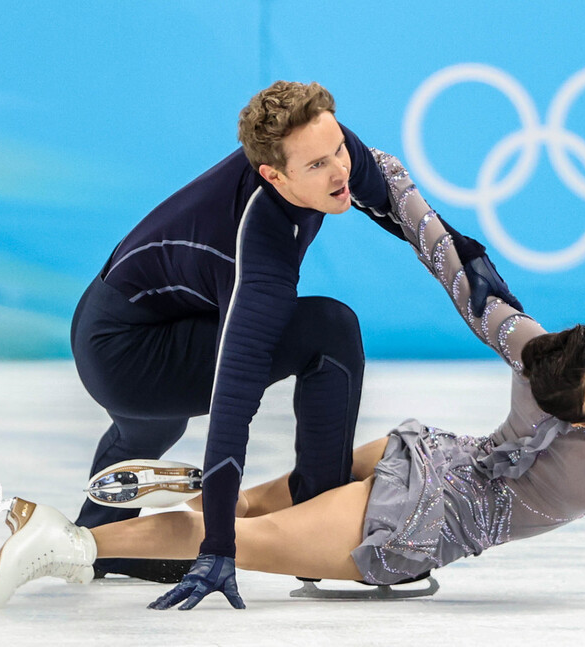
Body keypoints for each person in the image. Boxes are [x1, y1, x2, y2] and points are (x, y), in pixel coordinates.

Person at [0, 152, 585, 611]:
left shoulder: (533, 355)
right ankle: (56, 539)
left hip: (412, 456)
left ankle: (89, 533)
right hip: (412, 518)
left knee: (241, 512)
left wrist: (405, 194)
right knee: (242, 533)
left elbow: (472, 281)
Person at [69, 81, 522, 585]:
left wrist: (470, 259)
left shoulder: (325, 148)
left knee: (150, 427)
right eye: (317, 165)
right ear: (274, 176)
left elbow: (401, 210)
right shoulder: (258, 248)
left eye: (339, 150)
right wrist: (218, 546)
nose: (340, 169)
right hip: (125, 356)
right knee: (329, 331)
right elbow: (232, 403)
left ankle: (95, 541)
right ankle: (323, 528)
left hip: (129, 316)